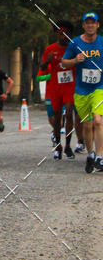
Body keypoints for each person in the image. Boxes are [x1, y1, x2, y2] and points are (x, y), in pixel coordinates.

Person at [61, 12, 103, 173]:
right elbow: (64, 63)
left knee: (98, 121)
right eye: (88, 23)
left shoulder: (102, 42)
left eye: (93, 23)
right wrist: (74, 60)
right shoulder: (75, 43)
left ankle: (100, 156)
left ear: (97, 25)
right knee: (87, 125)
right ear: (84, 25)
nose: (90, 25)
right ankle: (91, 154)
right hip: (81, 90)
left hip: (99, 87)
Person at [36, 20, 76, 159]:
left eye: (66, 33)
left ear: (69, 34)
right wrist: (47, 61)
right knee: (57, 116)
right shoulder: (50, 49)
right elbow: (41, 68)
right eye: (60, 33)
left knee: (69, 111)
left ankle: (68, 146)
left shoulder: (73, 48)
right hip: (55, 85)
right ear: (57, 35)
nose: (63, 36)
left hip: (70, 84)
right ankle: (58, 145)